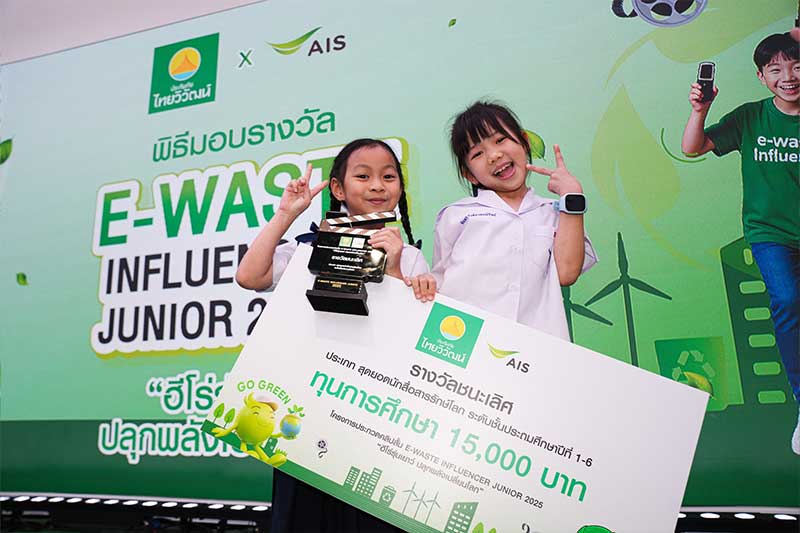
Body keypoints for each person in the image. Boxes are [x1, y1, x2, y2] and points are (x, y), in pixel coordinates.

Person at [236, 138, 435, 531]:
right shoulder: (308, 246)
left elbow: (409, 336)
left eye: (389, 177)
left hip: (372, 415)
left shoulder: (409, 255)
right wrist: (286, 215)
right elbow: (250, 276)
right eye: (363, 176)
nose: (377, 185)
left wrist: (395, 267)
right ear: (338, 189)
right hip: (308, 406)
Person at [680, 32, 799, 454]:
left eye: (796, 66)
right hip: (771, 234)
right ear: (762, 77)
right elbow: (692, 147)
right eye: (776, 69)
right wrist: (700, 109)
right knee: (788, 300)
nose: (788, 76)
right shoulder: (751, 117)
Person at [432, 101, 597, 341]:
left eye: (500, 140)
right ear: (469, 174)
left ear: (524, 142)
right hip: (463, 344)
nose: (494, 155)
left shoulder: (553, 212)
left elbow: (567, 272)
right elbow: (439, 282)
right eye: (477, 153)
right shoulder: (456, 215)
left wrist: (571, 197)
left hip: (533, 348)